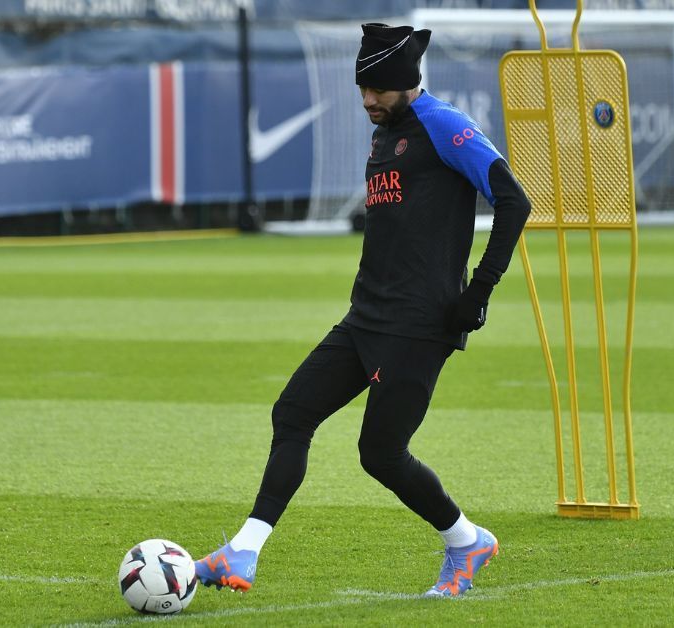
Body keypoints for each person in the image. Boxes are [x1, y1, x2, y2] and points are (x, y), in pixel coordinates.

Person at [195, 23, 532, 597]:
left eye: (378, 88)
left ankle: (466, 542)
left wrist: (478, 292)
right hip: (365, 315)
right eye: (362, 88)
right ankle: (243, 551)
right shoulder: (385, 132)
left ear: (406, 83)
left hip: (420, 324)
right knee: (293, 412)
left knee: (379, 453)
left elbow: (514, 200)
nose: (368, 99)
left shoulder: (444, 124)